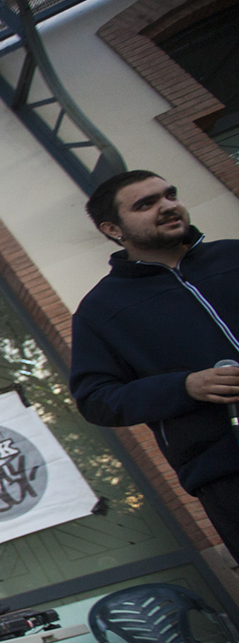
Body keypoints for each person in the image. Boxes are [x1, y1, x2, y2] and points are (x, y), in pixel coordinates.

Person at [70, 170, 239, 554]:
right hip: (228, 470)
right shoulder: (100, 310)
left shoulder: (234, 254)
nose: (168, 206)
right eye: (145, 205)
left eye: (169, 194)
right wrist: (185, 387)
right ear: (113, 229)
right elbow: (96, 398)